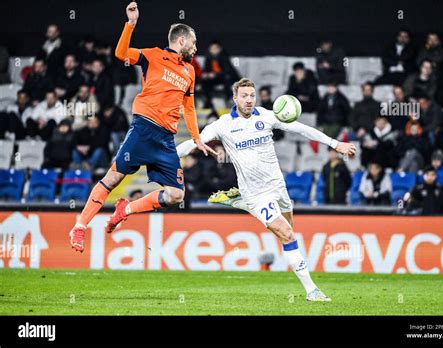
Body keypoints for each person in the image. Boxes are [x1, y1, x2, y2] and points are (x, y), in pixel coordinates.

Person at [177, 78, 356, 301]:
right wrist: (168, 157)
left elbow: (301, 128)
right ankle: (312, 290)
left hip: (278, 187)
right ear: (235, 98)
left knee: (289, 233)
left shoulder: (267, 115)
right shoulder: (223, 124)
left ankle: (238, 201)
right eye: (244, 96)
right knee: (288, 234)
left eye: (252, 95)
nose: (249, 100)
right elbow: (194, 142)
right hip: (256, 194)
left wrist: (335, 143)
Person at [69, 2, 215, 253]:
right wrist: (130, 25)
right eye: (193, 43)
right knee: (113, 178)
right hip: (143, 129)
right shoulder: (152, 55)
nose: (195, 48)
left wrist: (196, 138)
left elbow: (188, 107)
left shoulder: (190, 71)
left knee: (176, 195)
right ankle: (80, 226)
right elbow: (121, 53)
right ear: (181, 41)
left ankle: (126, 209)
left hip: (166, 139)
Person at [201, 40, 240, 108]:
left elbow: (227, 71)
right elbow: (206, 69)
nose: (213, 50)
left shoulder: (224, 56)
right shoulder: (208, 58)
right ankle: (208, 101)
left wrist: (215, 74)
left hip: (226, 77)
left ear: (219, 49)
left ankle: (229, 99)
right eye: (211, 49)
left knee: (226, 79)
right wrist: (205, 74)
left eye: (215, 48)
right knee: (204, 81)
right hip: (215, 78)